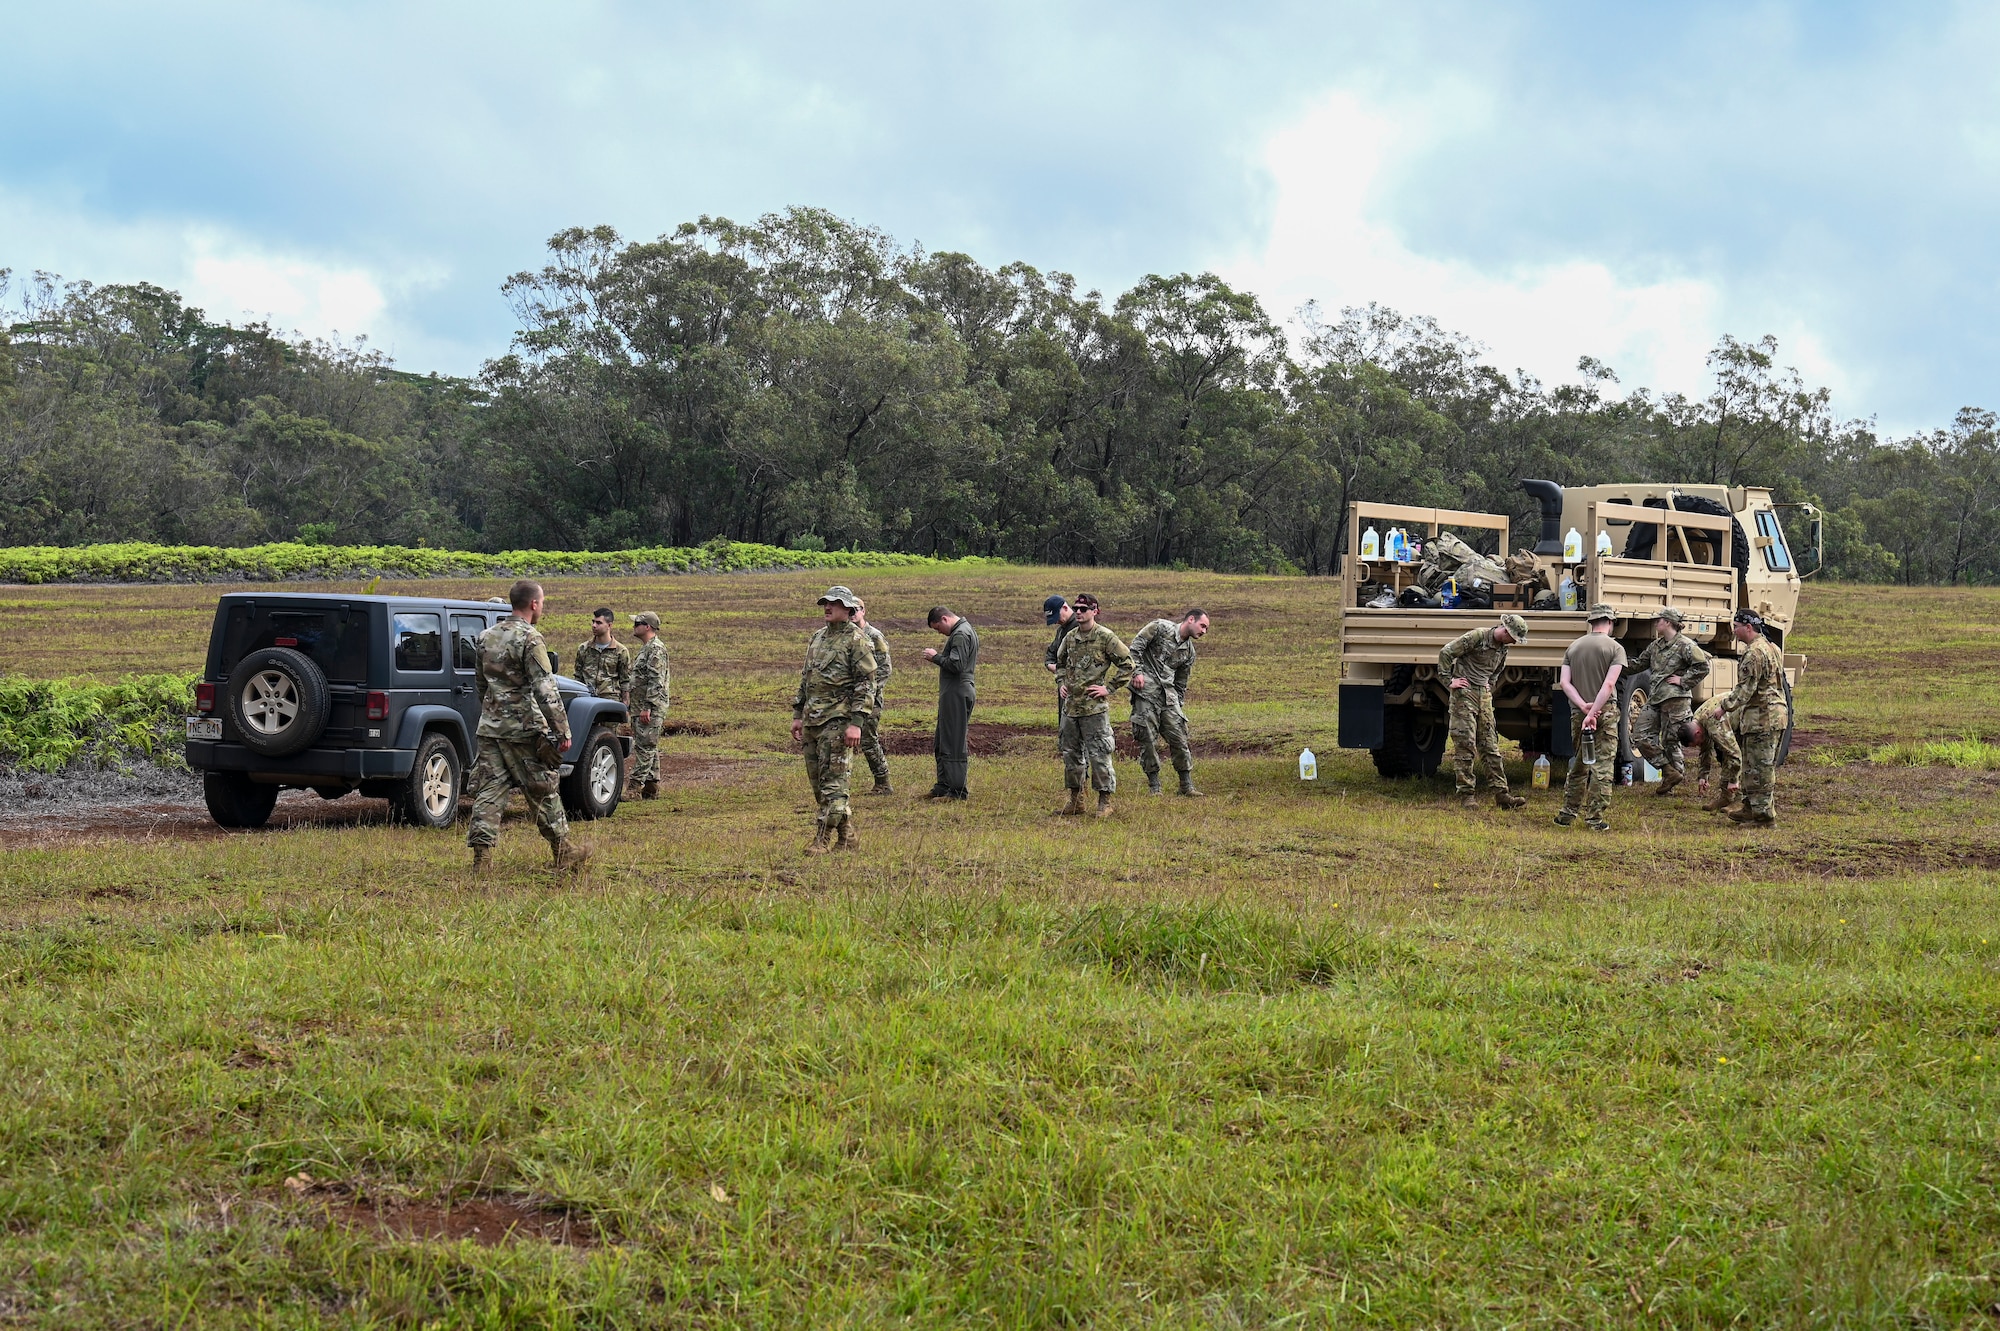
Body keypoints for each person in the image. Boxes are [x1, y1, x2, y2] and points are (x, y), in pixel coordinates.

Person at [467, 579, 588, 875]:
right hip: (523, 729)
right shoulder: (531, 638)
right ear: (534, 604)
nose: (542, 607)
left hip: (491, 729)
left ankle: (481, 862)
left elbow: (480, 684)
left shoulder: (486, 636)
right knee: (543, 789)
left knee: (489, 793)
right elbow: (545, 688)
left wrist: (494, 712)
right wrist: (562, 730)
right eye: (542, 602)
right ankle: (564, 852)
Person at [790, 586, 879, 853]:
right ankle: (848, 837)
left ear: (849, 609)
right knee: (819, 784)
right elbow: (807, 678)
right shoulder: (817, 638)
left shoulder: (857, 640)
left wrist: (856, 723)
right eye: (825, 603)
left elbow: (866, 684)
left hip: (839, 722)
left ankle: (822, 839)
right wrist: (798, 714)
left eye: (835, 603)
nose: (828, 608)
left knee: (835, 784)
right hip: (812, 721)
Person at [1437, 613, 1531, 810]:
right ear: (1505, 631)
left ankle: (1502, 795)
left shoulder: (1503, 648)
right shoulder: (1477, 637)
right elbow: (1446, 653)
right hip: (1464, 694)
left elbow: (1498, 670)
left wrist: (1490, 684)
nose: (1513, 642)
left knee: (1490, 746)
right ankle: (1466, 795)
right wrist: (1449, 681)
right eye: (1513, 638)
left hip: (1483, 696)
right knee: (1466, 745)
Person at [1052, 593, 1133, 818]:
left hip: (1094, 710)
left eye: (1083, 609)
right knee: (1071, 754)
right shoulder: (1069, 638)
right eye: (1076, 608)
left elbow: (1128, 664)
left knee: (1099, 754)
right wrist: (1061, 683)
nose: (1078, 612)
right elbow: (1059, 663)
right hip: (1071, 708)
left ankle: (1104, 802)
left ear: (1094, 611)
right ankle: (1076, 800)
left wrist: (1109, 688)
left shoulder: (1106, 637)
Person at [1553, 603, 1627, 831]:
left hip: (1579, 712)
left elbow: (1565, 683)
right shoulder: (1615, 648)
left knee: (1580, 762)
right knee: (1603, 765)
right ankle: (1595, 818)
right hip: (1604, 712)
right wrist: (1595, 710)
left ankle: (1567, 813)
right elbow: (1609, 684)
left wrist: (1584, 708)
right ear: (1610, 622)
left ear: (1591, 622)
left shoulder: (1573, 647)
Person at [1628, 607, 1710, 796]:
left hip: (1676, 698)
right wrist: (1615, 664)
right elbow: (1639, 664)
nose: (1656, 624)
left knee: (1671, 740)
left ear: (1668, 622)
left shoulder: (1685, 645)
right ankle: (1668, 771)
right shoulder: (1655, 646)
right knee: (1640, 735)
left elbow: (1703, 666)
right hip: (1656, 697)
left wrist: (1683, 681)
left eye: (1659, 620)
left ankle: (1673, 780)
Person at [1128, 608, 1210, 796]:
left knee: (1179, 737)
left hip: (1168, 697)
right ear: (1191, 619)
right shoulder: (1159, 627)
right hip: (1145, 693)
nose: (1204, 631)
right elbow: (1135, 648)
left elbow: (1181, 682)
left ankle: (1186, 785)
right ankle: (1154, 786)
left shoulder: (1189, 652)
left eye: (1206, 628)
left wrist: (1178, 704)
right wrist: (1137, 672)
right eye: (1202, 626)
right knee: (1147, 738)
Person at [1721, 608, 1788, 826]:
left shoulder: (1754, 653)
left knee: (1761, 769)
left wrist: (1723, 707)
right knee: (1753, 767)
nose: (1734, 631)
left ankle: (1764, 818)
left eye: (1736, 626)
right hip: (1771, 715)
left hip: (1762, 718)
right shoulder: (1771, 647)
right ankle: (1750, 808)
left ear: (1748, 628)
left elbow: (1744, 690)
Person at [920, 606, 979, 800]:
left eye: (938, 628)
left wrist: (935, 657)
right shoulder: (963, 630)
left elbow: (956, 664)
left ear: (945, 619)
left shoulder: (961, 634)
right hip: (954, 692)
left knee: (953, 741)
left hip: (957, 691)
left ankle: (956, 791)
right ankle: (943, 785)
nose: (939, 632)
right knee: (944, 738)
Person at [627, 611, 670, 800]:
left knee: (645, 747)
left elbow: (656, 681)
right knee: (647, 744)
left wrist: (648, 706)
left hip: (649, 706)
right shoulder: (647, 648)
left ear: (648, 627)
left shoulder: (655, 650)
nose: (634, 626)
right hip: (640, 705)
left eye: (638, 623)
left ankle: (634, 787)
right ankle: (651, 787)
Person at [853, 599, 894, 796]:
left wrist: (869, 693)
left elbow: (885, 669)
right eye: (848, 609)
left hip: (870, 699)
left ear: (863, 611)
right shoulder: (847, 635)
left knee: (868, 739)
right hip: (849, 697)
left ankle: (883, 781)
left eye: (856, 609)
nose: (852, 613)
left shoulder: (873, 636)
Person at [1678, 695, 1742, 814]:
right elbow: (1705, 749)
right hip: (1736, 717)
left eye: (1696, 743)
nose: (1698, 746)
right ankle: (1726, 798)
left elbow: (1734, 753)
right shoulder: (1698, 720)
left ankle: (1740, 800)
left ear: (1697, 733)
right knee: (1725, 757)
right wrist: (1703, 776)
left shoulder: (1713, 724)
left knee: (1736, 756)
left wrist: (1734, 781)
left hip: (1751, 717)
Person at [574, 607, 632, 706]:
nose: (594, 626)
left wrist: (625, 704)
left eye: (599, 623)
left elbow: (625, 681)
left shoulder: (620, 651)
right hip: (587, 700)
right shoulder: (584, 648)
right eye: (593, 622)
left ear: (609, 625)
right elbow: (578, 677)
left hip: (610, 701)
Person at [1042, 594, 1075, 729]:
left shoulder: (1080, 627)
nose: (1056, 622)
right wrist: (1052, 666)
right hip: (1064, 683)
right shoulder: (1061, 630)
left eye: (1057, 617)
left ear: (1065, 608)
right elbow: (1051, 652)